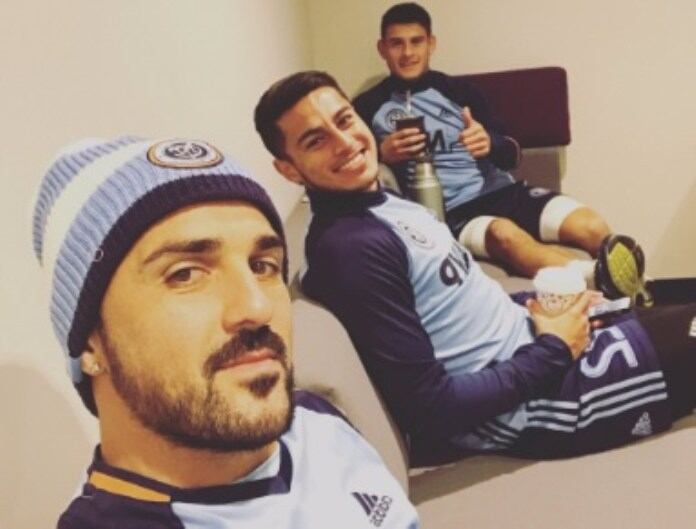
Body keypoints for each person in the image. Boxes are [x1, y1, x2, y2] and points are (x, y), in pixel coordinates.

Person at [254, 71, 696, 464]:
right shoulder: (351, 249)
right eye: (315, 140)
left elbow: (457, 301)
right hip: (539, 403)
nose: (345, 141)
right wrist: (555, 350)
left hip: (536, 344)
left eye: (345, 119)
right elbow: (430, 407)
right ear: (288, 169)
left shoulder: (381, 202)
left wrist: (538, 305)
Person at [32, 137, 419, 528]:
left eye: (263, 265)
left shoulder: (312, 419)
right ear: (89, 342)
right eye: (185, 274)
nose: (257, 308)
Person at [352, 2, 647, 302]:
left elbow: (512, 155)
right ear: (382, 48)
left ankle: (636, 291)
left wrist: (489, 143)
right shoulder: (366, 106)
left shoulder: (460, 92)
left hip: (506, 193)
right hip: (455, 214)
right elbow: (351, 169)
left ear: (431, 44)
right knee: (505, 234)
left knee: (591, 226)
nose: (407, 53)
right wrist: (381, 154)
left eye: (416, 41)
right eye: (397, 43)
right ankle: (601, 281)